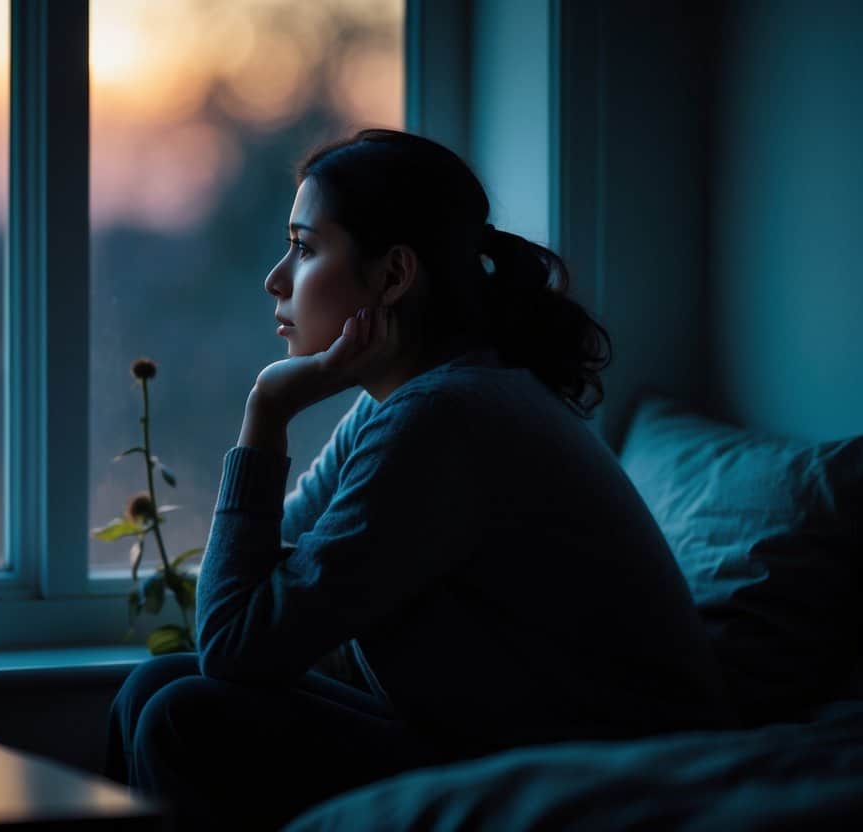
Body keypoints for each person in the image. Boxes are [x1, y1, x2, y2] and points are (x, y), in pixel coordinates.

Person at [104, 129, 733, 830]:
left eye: (305, 248)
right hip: (488, 736)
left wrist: (267, 412)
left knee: (184, 715)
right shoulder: (411, 403)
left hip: (596, 768)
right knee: (158, 684)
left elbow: (232, 643)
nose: (275, 279)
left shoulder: (444, 417)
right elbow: (255, 597)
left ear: (394, 275)